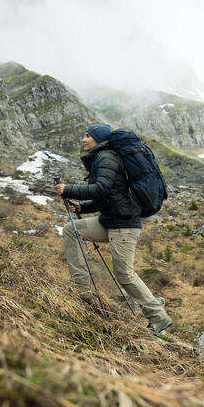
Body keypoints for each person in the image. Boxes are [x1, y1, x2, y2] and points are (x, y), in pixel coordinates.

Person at [55, 124, 173, 333]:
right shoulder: (102, 157)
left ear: (98, 139)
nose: (83, 139)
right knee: (72, 230)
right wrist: (83, 207)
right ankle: (80, 287)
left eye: (88, 136)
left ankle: (158, 316)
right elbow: (109, 197)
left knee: (124, 274)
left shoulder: (106, 157)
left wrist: (68, 190)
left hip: (125, 226)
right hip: (110, 221)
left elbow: (102, 188)